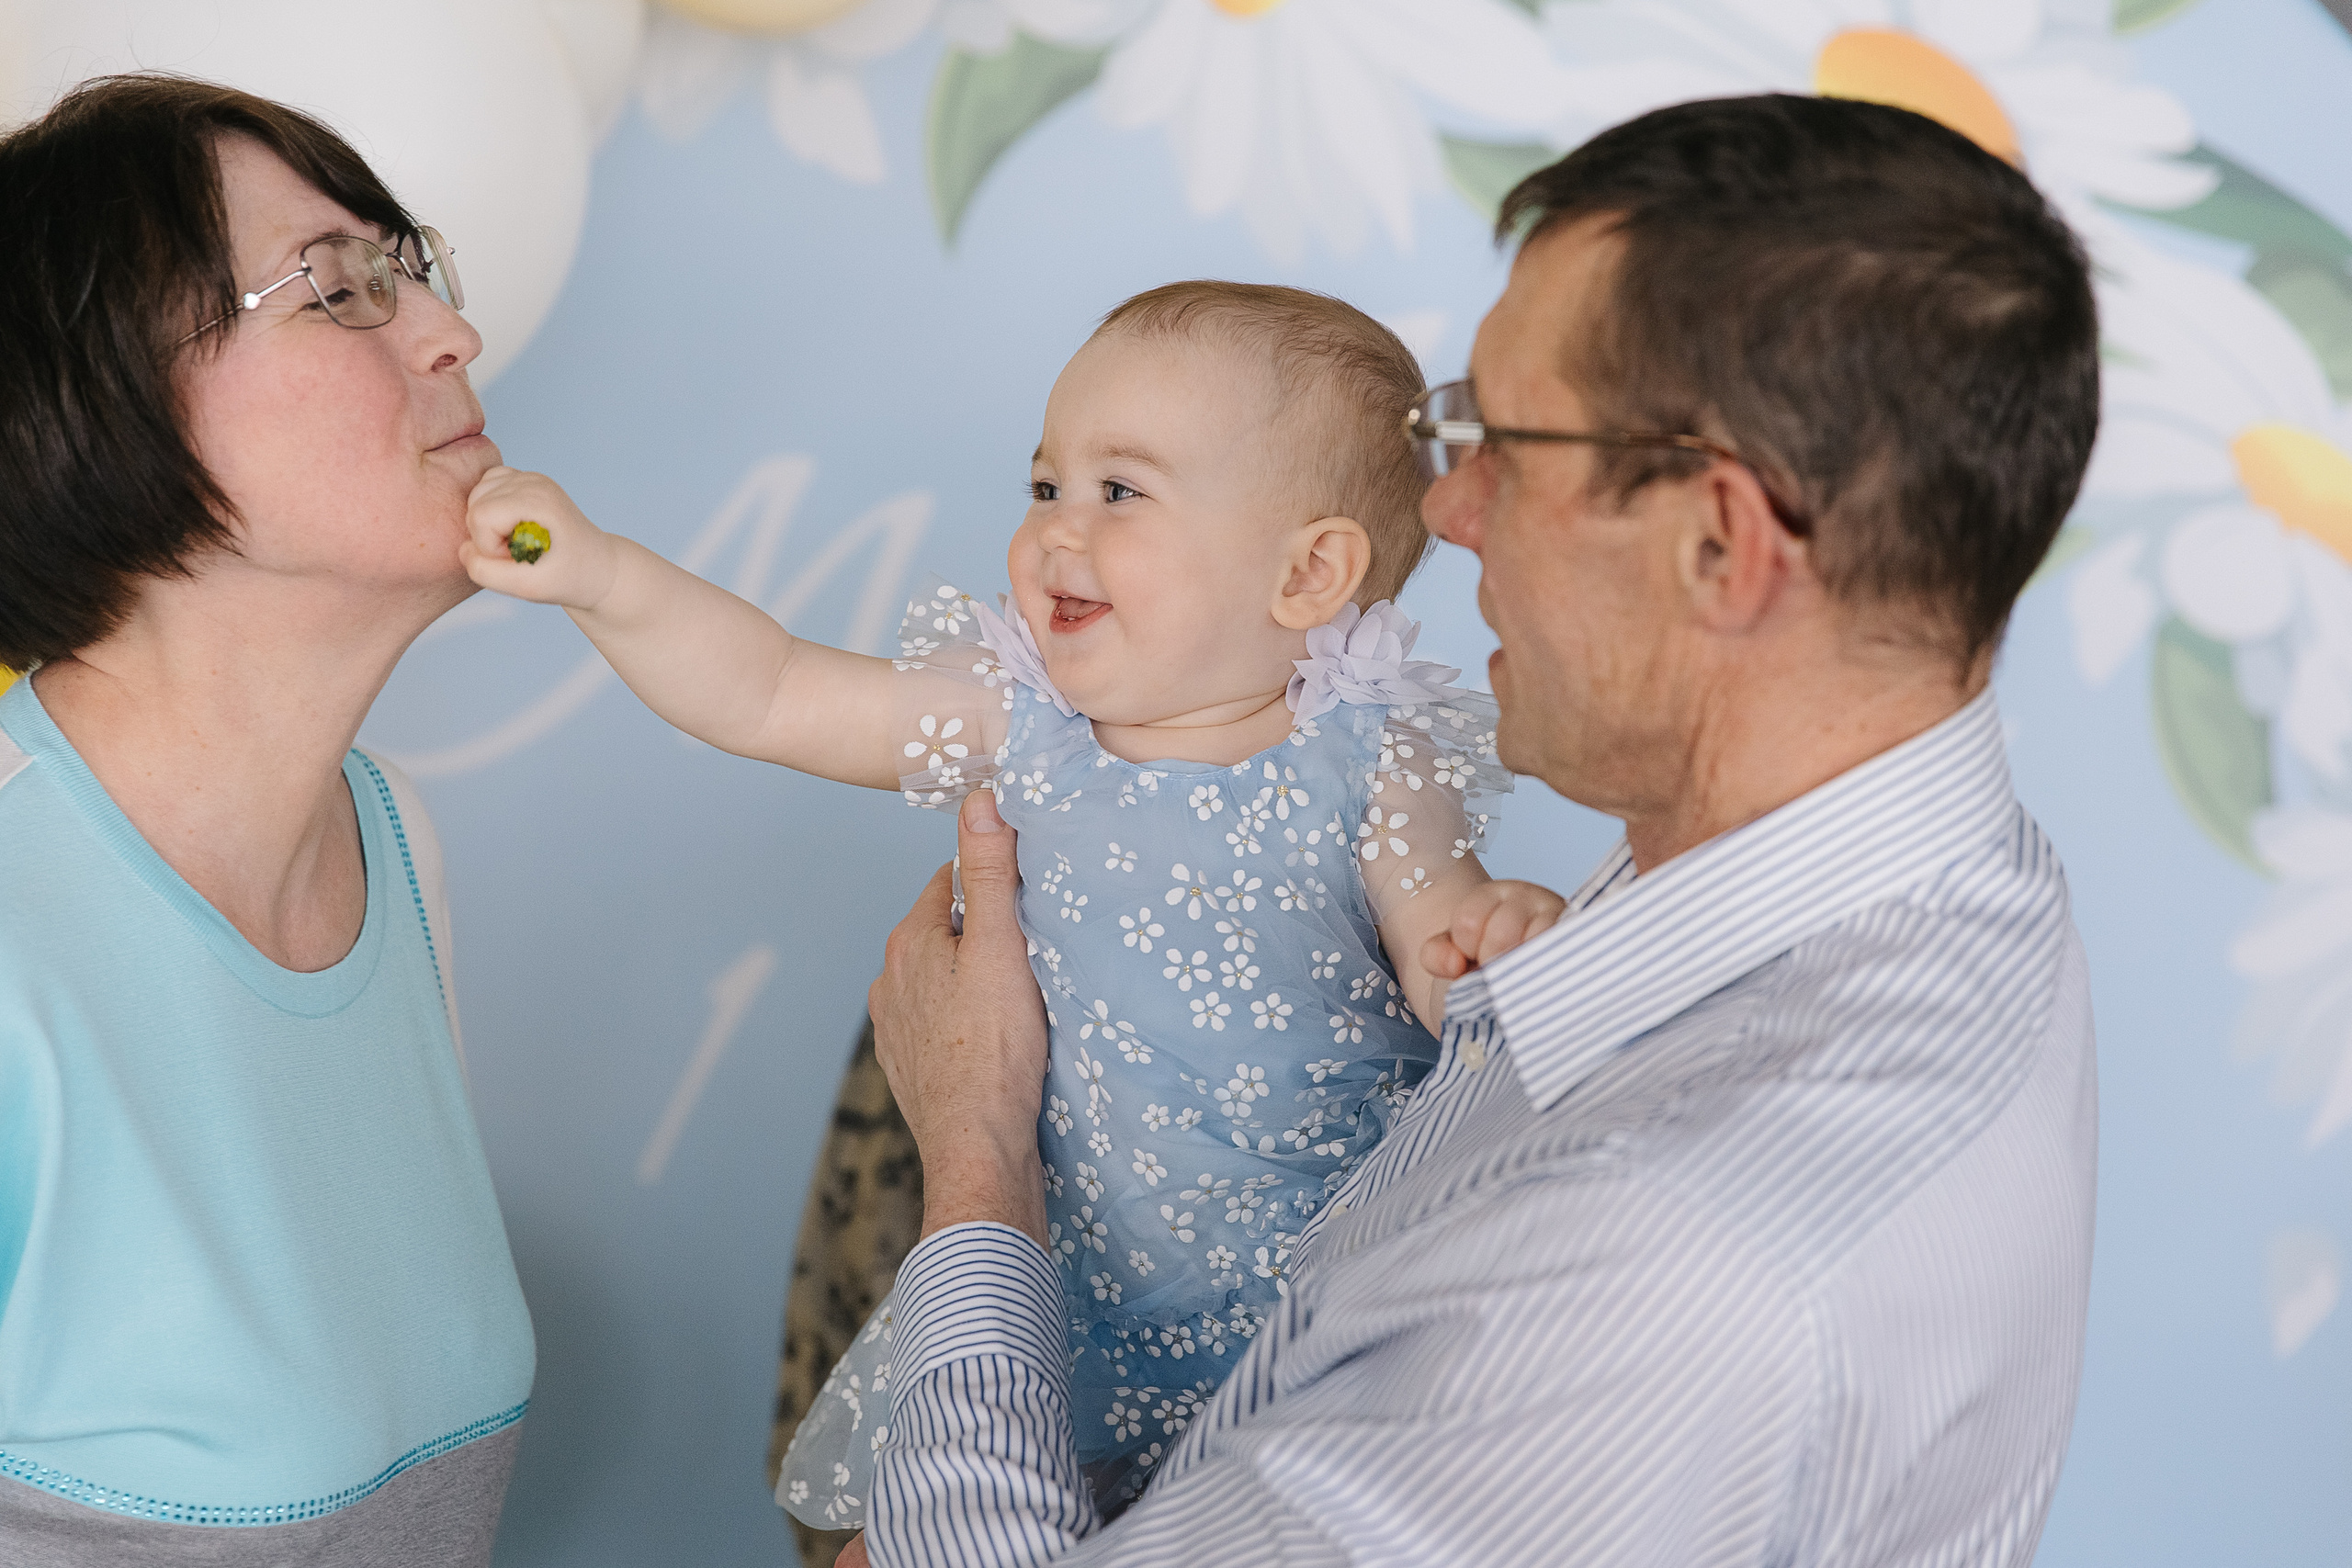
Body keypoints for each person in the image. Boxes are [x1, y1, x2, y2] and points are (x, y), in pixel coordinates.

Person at [845, 92, 2104, 1567]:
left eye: (1506, 440)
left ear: (1721, 544)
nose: (1445, 511)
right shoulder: (1947, 877)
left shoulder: (1659, 1274)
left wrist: (978, 1154)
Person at [457, 282, 1574, 1524]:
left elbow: (1440, 938)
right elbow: (771, 692)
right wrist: (600, 574)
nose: (1055, 531)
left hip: (1328, 1302)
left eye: (1120, 491)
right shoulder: (1019, 723)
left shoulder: (1371, 751)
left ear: (1309, 572)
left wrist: (1495, 943)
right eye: (1046, 486)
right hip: (1078, 1308)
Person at [0, 77, 532, 1562]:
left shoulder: (394, 845)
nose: (451, 333)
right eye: (339, 285)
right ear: (101, 398)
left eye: (413, 266)